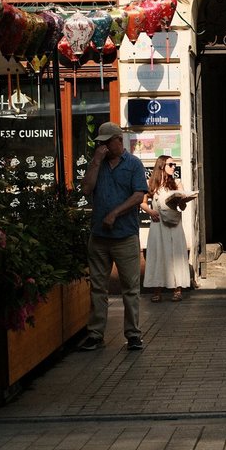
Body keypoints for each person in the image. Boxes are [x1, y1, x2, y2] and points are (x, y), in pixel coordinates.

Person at [79, 121, 148, 351]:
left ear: (119, 140)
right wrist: (96, 162)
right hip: (98, 236)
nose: (104, 147)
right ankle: (96, 334)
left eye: (108, 142)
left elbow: (139, 196)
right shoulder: (96, 163)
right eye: (101, 143)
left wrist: (115, 213)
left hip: (125, 236)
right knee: (98, 287)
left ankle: (133, 334)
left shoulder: (134, 164)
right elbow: (86, 190)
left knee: (130, 288)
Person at [142, 155, 193, 302]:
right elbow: (142, 202)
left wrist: (183, 201)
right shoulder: (151, 183)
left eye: (174, 165)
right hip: (158, 223)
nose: (173, 167)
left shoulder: (177, 182)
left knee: (176, 253)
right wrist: (151, 212)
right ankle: (156, 290)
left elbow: (182, 206)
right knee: (158, 254)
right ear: (162, 165)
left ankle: (177, 289)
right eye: (170, 164)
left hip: (174, 223)